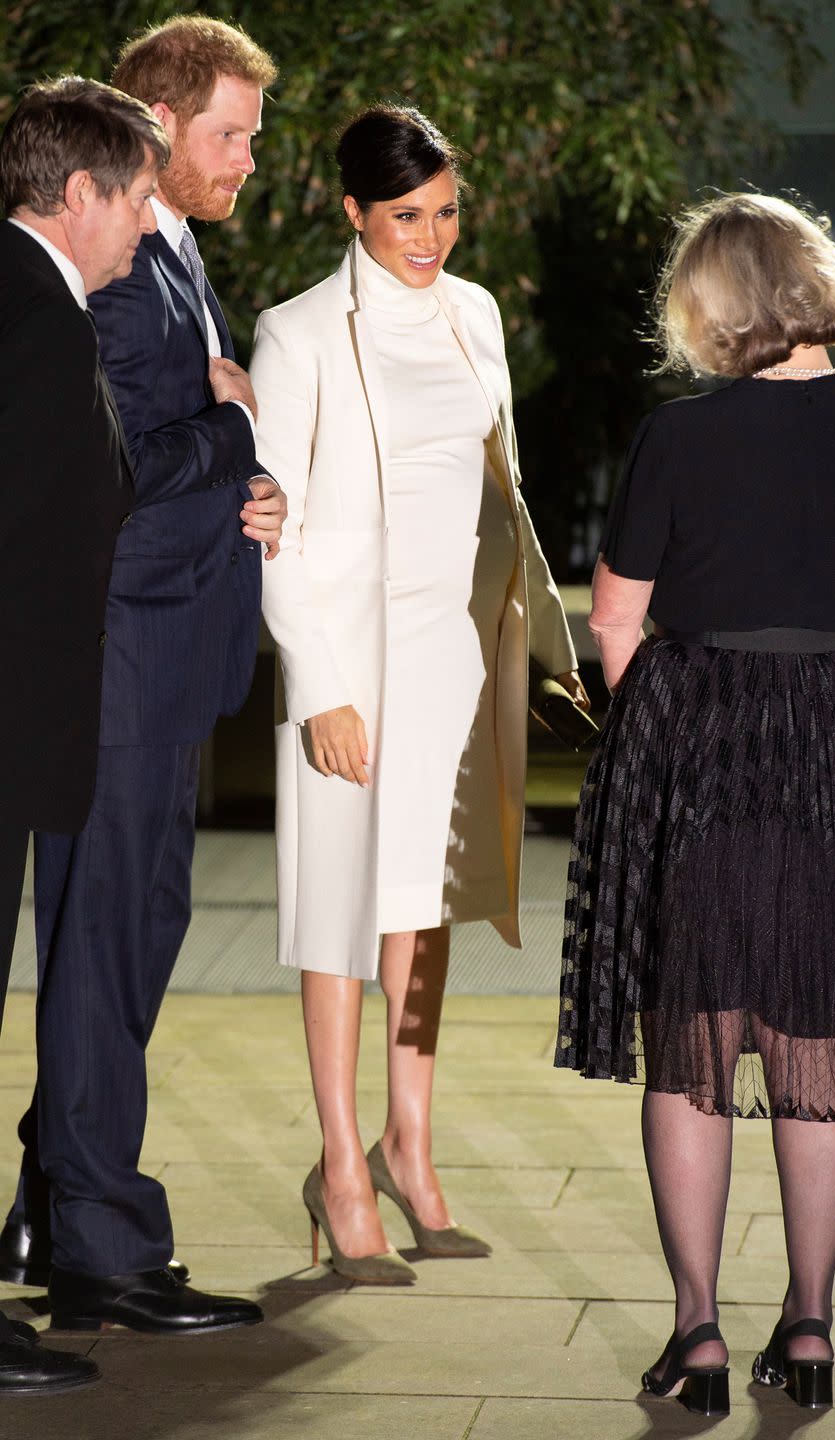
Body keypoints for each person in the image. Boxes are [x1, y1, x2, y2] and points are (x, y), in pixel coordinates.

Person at [556, 192, 835, 1416]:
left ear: (712, 308)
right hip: (832, 741)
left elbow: (612, 615)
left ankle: (694, 1334)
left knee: (694, 1043)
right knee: (811, 1043)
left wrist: (671, 717)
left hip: (696, 739)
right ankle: (807, 1328)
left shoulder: (678, 439)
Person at [252, 104, 586, 1282]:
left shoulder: (476, 312)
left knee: (423, 904)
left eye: (445, 211)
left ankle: (410, 1145)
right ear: (353, 210)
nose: (430, 235)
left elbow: (497, 485)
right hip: (351, 660)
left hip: (455, 657)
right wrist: (320, 684)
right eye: (406, 216)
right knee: (341, 915)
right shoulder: (298, 335)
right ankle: (341, 1167)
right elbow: (275, 529)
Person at [0, 18, 284, 1335]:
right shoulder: (106, 278)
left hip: (158, 662)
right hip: (112, 662)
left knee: (126, 948)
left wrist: (250, 485)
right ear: (157, 128)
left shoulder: (168, 257)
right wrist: (230, 434)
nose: (244, 160)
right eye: (229, 134)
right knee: (107, 950)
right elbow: (103, 475)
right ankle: (98, 1245)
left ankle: (69, 1199)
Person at [0, 74, 167, 1391]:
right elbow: (70, 507)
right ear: (81, 194)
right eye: (138, 196)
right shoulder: (32, 316)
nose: (147, 224)